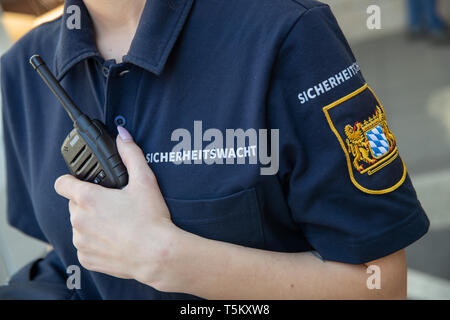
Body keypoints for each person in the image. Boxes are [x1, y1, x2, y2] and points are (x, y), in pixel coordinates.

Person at [0, 0, 429, 300]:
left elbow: (381, 286)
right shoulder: (22, 71)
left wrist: (172, 259)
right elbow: (73, 261)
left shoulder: (284, 33)